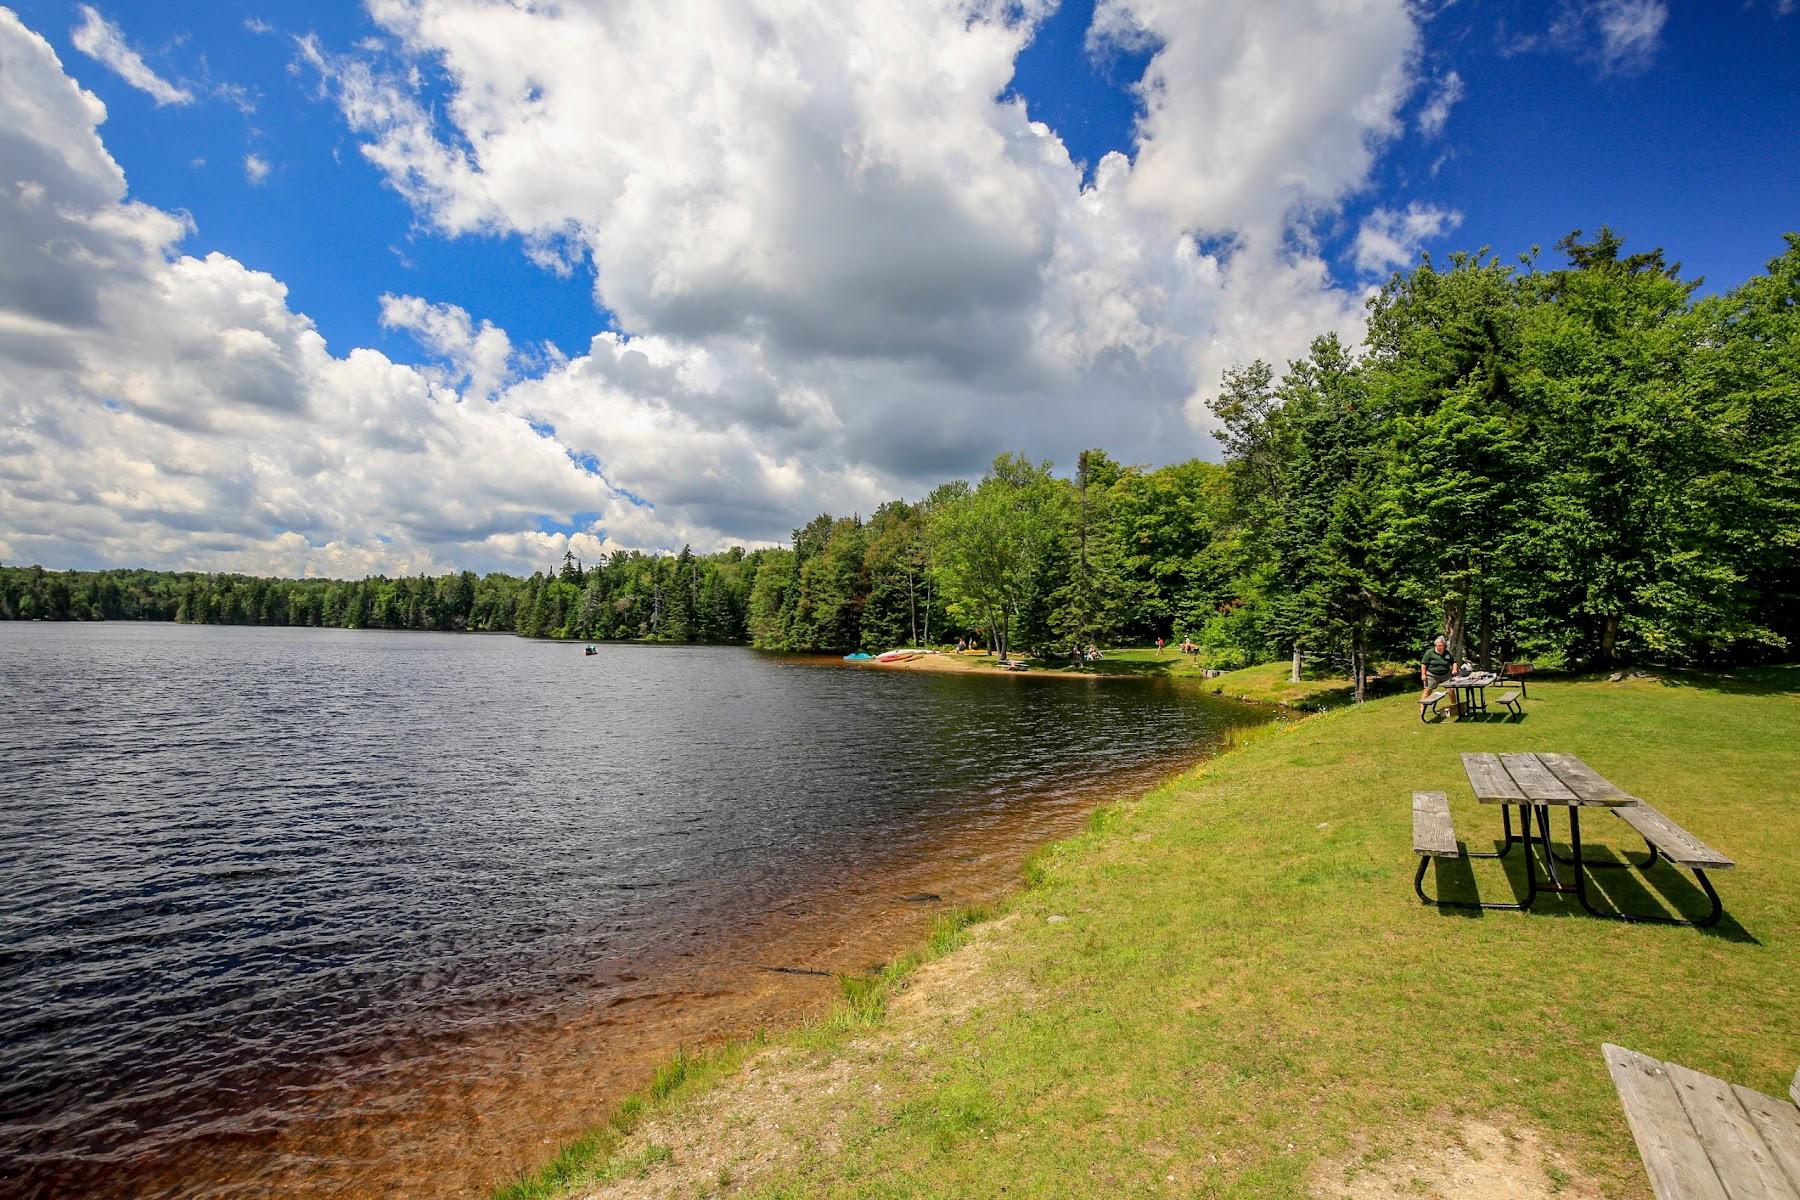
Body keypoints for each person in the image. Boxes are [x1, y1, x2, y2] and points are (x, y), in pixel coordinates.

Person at [1420, 634, 1457, 713]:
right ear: (1435, 645)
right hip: (1432, 675)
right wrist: (1423, 674)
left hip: (1446, 674)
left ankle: (1455, 706)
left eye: (1442, 646)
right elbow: (1424, 664)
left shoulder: (1448, 653)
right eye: (1438, 646)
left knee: (1451, 690)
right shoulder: (1429, 653)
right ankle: (1422, 708)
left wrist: (1454, 669)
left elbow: (1454, 662)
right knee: (1427, 691)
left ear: (1444, 645)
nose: (1440, 647)